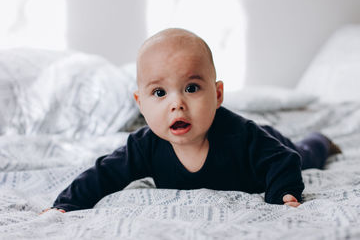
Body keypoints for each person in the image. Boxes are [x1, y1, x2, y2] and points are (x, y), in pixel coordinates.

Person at [42, 28, 341, 213]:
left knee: (304, 156)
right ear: (140, 104)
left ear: (218, 94)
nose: (177, 104)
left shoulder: (244, 136)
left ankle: (320, 140)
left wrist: (282, 194)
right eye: (159, 92)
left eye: (192, 88)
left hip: (274, 147)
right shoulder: (144, 145)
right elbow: (104, 173)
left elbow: (283, 161)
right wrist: (66, 204)